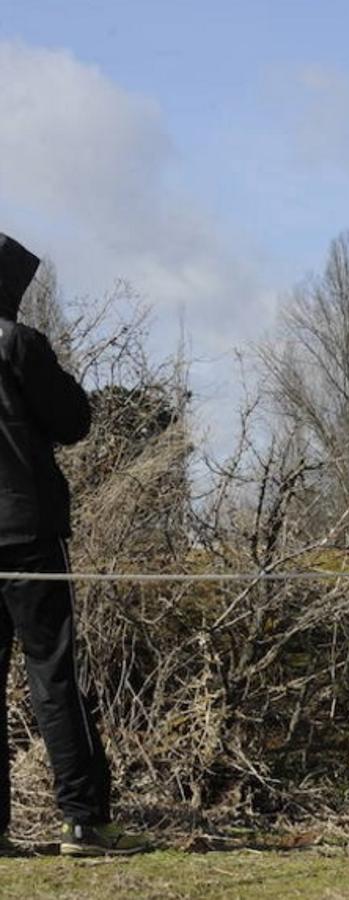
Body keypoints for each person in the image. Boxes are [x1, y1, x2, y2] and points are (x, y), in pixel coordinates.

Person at [0, 233, 146, 857]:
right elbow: (74, 421)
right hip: (29, 533)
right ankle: (84, 822)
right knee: (55, 676)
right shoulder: (19, 344)